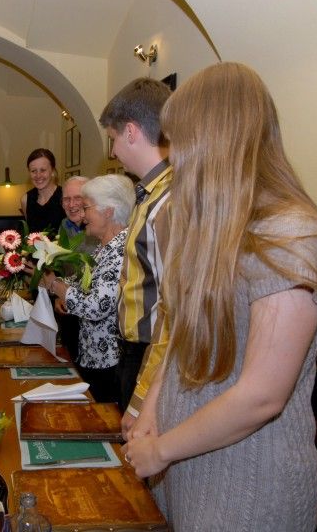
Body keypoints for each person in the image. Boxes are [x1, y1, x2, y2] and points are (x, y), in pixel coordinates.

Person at [121, 62, 317, 531]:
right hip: (186, 469)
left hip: (248, 486)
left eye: (180, 140)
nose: (174, 156)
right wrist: (150, 410)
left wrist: (160, 449)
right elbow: (182, 332)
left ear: (217, 139)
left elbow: (261, 397)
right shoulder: (214, 230)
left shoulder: (291, 234)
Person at [98, 78, 173, 415]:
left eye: (113, 139)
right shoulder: (148, 193)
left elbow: (176, 312)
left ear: (130, 132)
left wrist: (142, 399)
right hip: (134, 349)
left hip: (152, 354)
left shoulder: (171, 199)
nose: (112, 151)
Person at [40, 175, 134, 402]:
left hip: (108, 361)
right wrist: (52, 282)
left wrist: (55, 285)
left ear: (108, 211)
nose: (83, 215)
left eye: (87, 207)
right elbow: (85, 286)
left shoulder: (119, 250)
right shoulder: (106, 247)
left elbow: (96, 306)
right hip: (93, 355)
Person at [54, 175, 99, 363]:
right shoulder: (64, 225)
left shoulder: (99, 230)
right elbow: (65, 270)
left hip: (94, 320)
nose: (71, 204)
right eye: (66, 199)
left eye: (77, 198)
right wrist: (60, 296)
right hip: (69, 314)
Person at [20, 148, 65, 233]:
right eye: (33, 171)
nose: (38, 175)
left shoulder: (65, 196)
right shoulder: (25, 200)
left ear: (52, 171)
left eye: (43, 170)